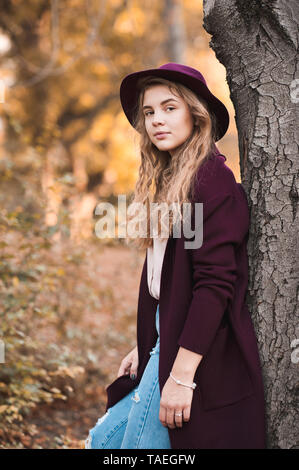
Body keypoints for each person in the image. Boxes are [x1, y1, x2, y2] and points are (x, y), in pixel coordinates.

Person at [85, 63, 266, 449]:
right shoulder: (170, 180)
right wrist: (144, 343)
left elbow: (214, 286)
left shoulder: (212, 181)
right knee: (103, 441)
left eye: (170, 108)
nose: (156, 121)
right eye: (149, 112)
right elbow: (164, 280)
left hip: (198, 345)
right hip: (164, 334)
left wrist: (181, 376)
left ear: (195, 114)